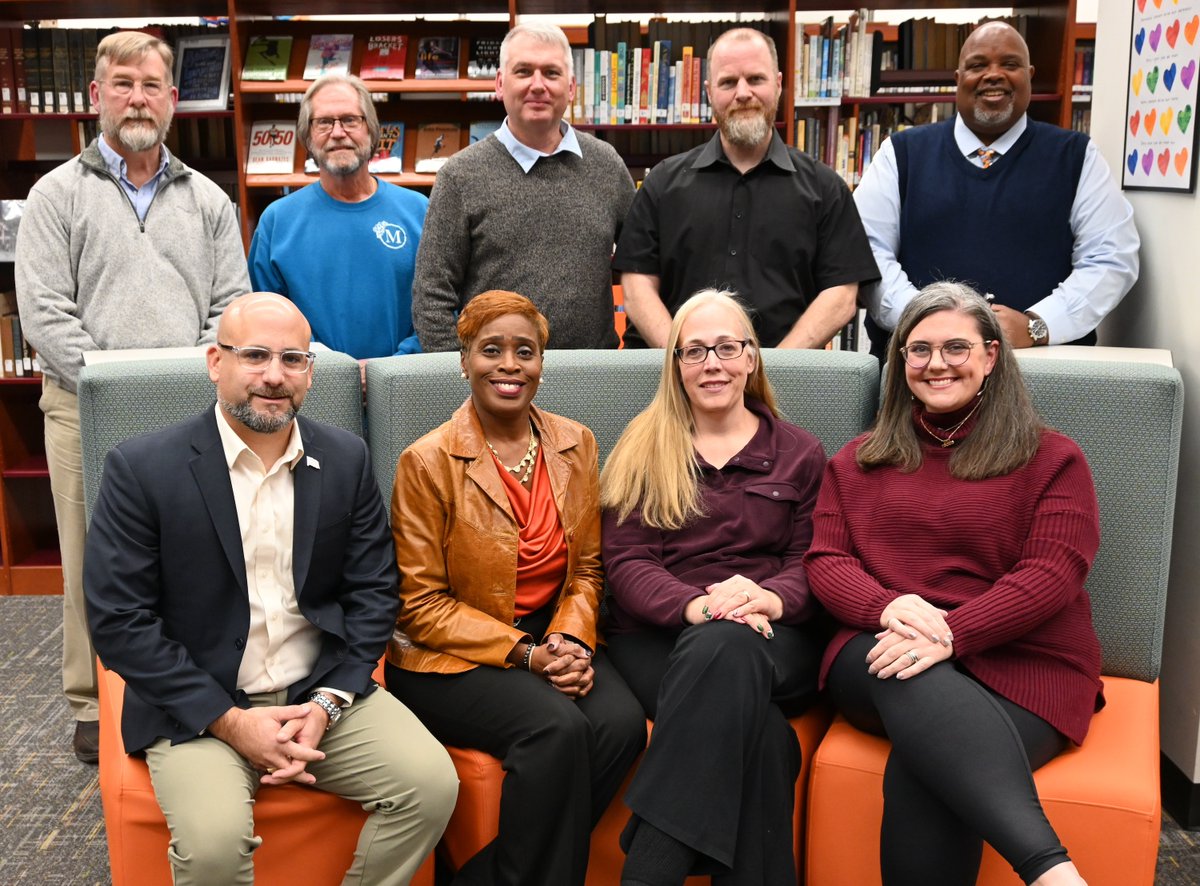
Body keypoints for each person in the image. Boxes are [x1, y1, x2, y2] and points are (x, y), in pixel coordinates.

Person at [84, 293, 458, 885]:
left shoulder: (344, 458)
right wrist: (230, 722)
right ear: (215, 362)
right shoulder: (142, 469)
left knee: (432, 787)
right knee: (212, 848)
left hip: (318, 693)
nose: (274, 376)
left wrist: (330, 701)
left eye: (293, 359)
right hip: (198, 706)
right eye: (255, 356)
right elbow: (118, 621)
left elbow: (374, 592)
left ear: (310, 370)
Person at [804, 282, 1102, 886]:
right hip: (881, 647)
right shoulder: (857, 461)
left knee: (926, 767)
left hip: (1024, 662)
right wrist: (888, 607)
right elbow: (825, 562)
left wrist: (954, 632)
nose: (936, 363)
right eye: (919, 350)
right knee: (910, 674)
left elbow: (1053, 573)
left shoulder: (1053, 459)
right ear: (900, 361)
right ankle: (1052, 871)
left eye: (956, 347)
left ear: (992, 355)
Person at [14, 30, 249, 764]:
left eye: (152, 84)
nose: (137, 97)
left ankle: (190, 683)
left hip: (190, 412)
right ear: (95, 97)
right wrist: (116, 389)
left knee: (194, 555)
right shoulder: (55, 195)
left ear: (174, 99)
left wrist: (181, 384)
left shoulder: (206, 198)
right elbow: (45, 314)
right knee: (92, 559)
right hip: (81, 409)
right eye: (122, 84)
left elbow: (230, 306)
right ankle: (91, 700)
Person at [385, 290, 645, 885]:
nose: (509, 365)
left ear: (541, 363)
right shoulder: (426, 462)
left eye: (524, 352)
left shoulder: (576, 444)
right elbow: (419, 606)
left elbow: (587, 568)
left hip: (551, 637)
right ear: (464, 361)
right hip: (447, 657)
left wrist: (572, 643)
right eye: (491, 350)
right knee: (556, 729)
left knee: (620, 725)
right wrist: (528, 655)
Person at [600, 290, 827, 884]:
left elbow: (815, 560)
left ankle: (649, 856)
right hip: (659, 636)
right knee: (767, 741)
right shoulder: (643, 445)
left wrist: (770, 596)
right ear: (675, 364)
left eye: (727, 347)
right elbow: (627, 564)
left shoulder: (799, 453)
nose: (712, 364)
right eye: (694, 351)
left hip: (775, 632)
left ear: (752, 358)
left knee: (729, 649)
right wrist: (699, 606)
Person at [853, 21, 1139, 357]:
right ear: (958, 78)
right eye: (977, 65)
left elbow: (1111, 258)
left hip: (1041, 368)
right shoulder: (900, 154)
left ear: (1029, 75)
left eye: (1010, 64)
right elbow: (866, 252)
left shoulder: (1076, 157)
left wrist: (1038, 325)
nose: (994, 75)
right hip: (919, 369)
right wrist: (927, 323)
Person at [613, 29, 879, 350]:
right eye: (728, 82)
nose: (743, 93)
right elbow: (637, 288)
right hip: (673, 379)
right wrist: (686, 359)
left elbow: (841, 296)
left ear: (779, 85)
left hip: (783, 381)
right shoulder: (661, 184)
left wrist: (772, 371)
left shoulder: (826, 189)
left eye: (755, 79)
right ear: (709, 92)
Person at [412, 23, 634, 351]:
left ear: (571, 87)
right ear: (501, 84)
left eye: (551, 73)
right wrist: (463, 377)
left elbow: (644, 268)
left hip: (591, 380)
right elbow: (431, 296)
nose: (538, 85)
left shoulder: (607, 166)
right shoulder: (460, 177)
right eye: (524, 71)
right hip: (497, 386)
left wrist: (633, 356)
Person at [249, 73, 428, 361]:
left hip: (403, 385)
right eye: (324, 122)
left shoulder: (419, 211)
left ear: (371, 129)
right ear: (307, 137)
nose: (337, 132)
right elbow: (266, 322)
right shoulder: (277, 222)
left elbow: (442, 307)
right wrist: (332, 370)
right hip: (312, 389)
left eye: (349, 120)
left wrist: (392, 367)